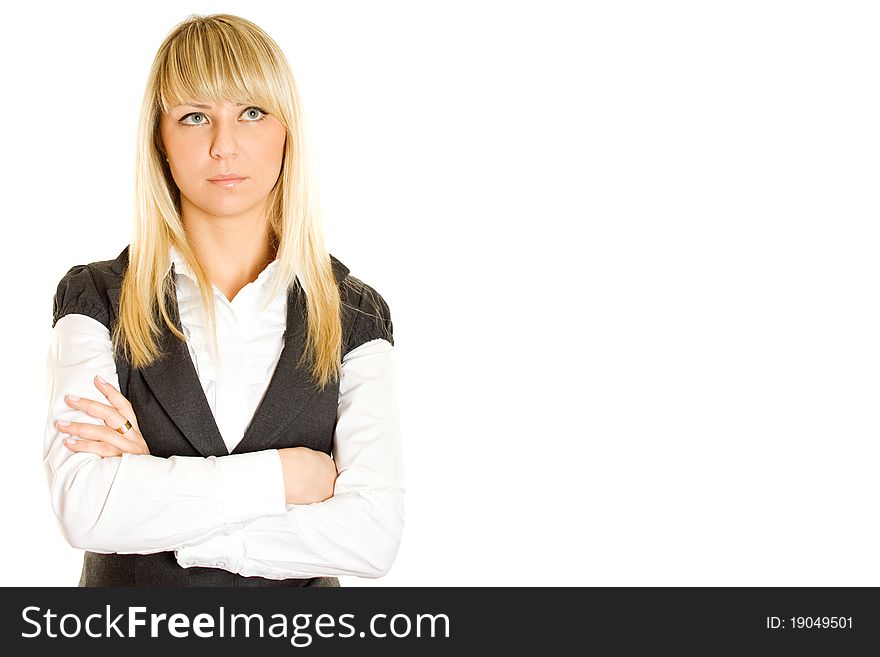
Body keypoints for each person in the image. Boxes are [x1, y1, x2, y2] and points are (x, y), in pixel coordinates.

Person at [42, 13, 405, 587]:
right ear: (160, 140)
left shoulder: (355, 314)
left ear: (287, 131)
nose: (224, 146)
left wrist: (153, 487)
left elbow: (371, 538)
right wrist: (281, 480)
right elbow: (87, 509)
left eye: (252, 113)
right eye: (194, 117)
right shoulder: (96, 299)